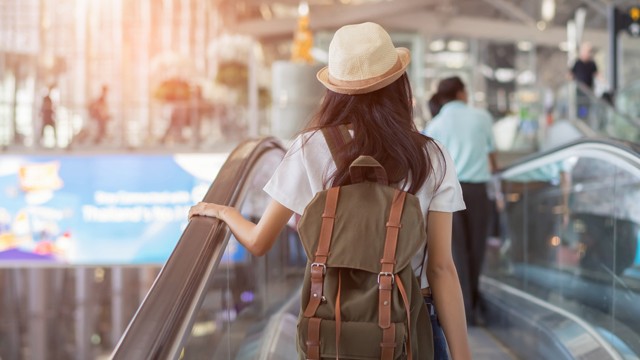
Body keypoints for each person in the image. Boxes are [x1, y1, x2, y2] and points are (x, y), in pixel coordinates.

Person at [189, 22, 471, 359]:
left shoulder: (309, 147)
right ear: (399, 84)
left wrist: (223, 211)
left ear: (335, 90)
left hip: (333, 326)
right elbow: (441, 268)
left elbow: (259, 241)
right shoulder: (431, 155)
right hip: (412, 324)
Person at [423, 76, 498, 326]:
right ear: (461, 93)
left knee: (455, 254)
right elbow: (491, 156)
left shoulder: (435, 125)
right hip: (477, 190)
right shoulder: (482, 117)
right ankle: (473, 306)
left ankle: (462, 310)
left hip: (447, 194)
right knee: (476, 250)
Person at [570, 42, 598, 119]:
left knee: (588, 107)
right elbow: (571, 74)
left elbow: (597, 74)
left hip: (589, 91)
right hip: (580, 91)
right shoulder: (577, 63)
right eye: (587, 51)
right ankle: (581, 118)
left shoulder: (592, 64)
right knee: (581, 108)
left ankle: (585, 119)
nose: (588, 53)